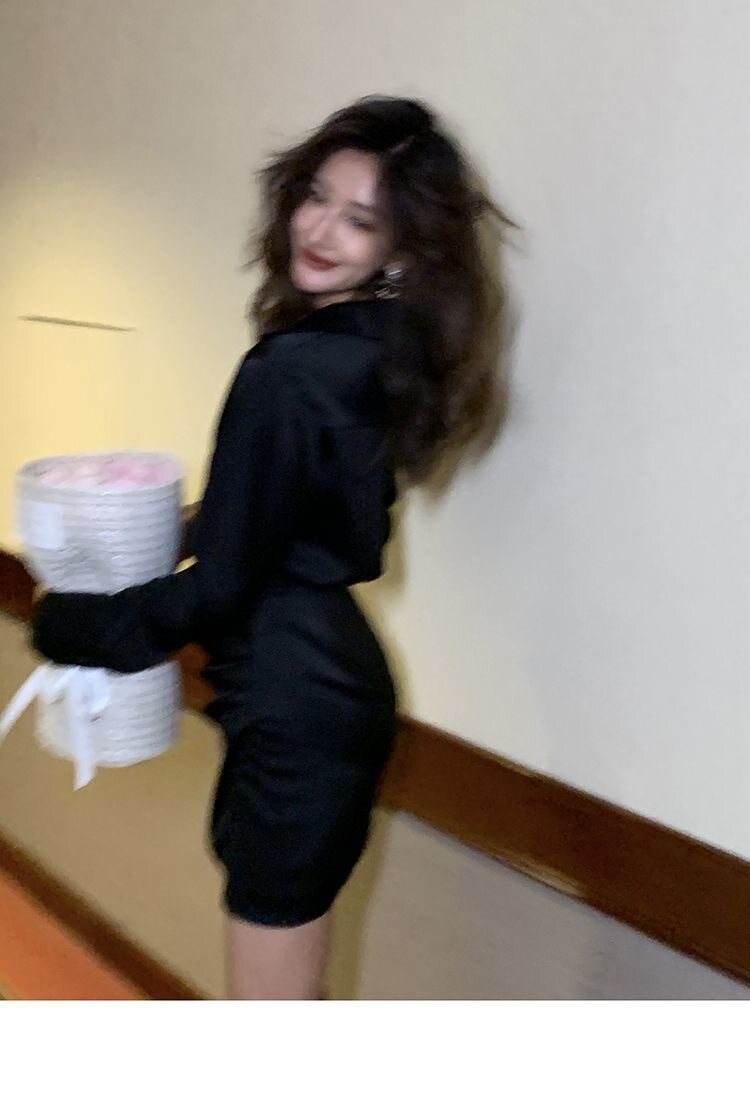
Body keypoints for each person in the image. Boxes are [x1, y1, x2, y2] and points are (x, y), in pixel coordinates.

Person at [30, 94, 513, 999]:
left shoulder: (291, 368)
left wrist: (72, 625)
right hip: (328, 690)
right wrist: (164, 525)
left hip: (294, 704)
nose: (320, 229)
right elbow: (286, 516)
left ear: (402, 250)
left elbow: (218, 588)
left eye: (360, 218)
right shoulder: (373, 351)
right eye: (317, 196)